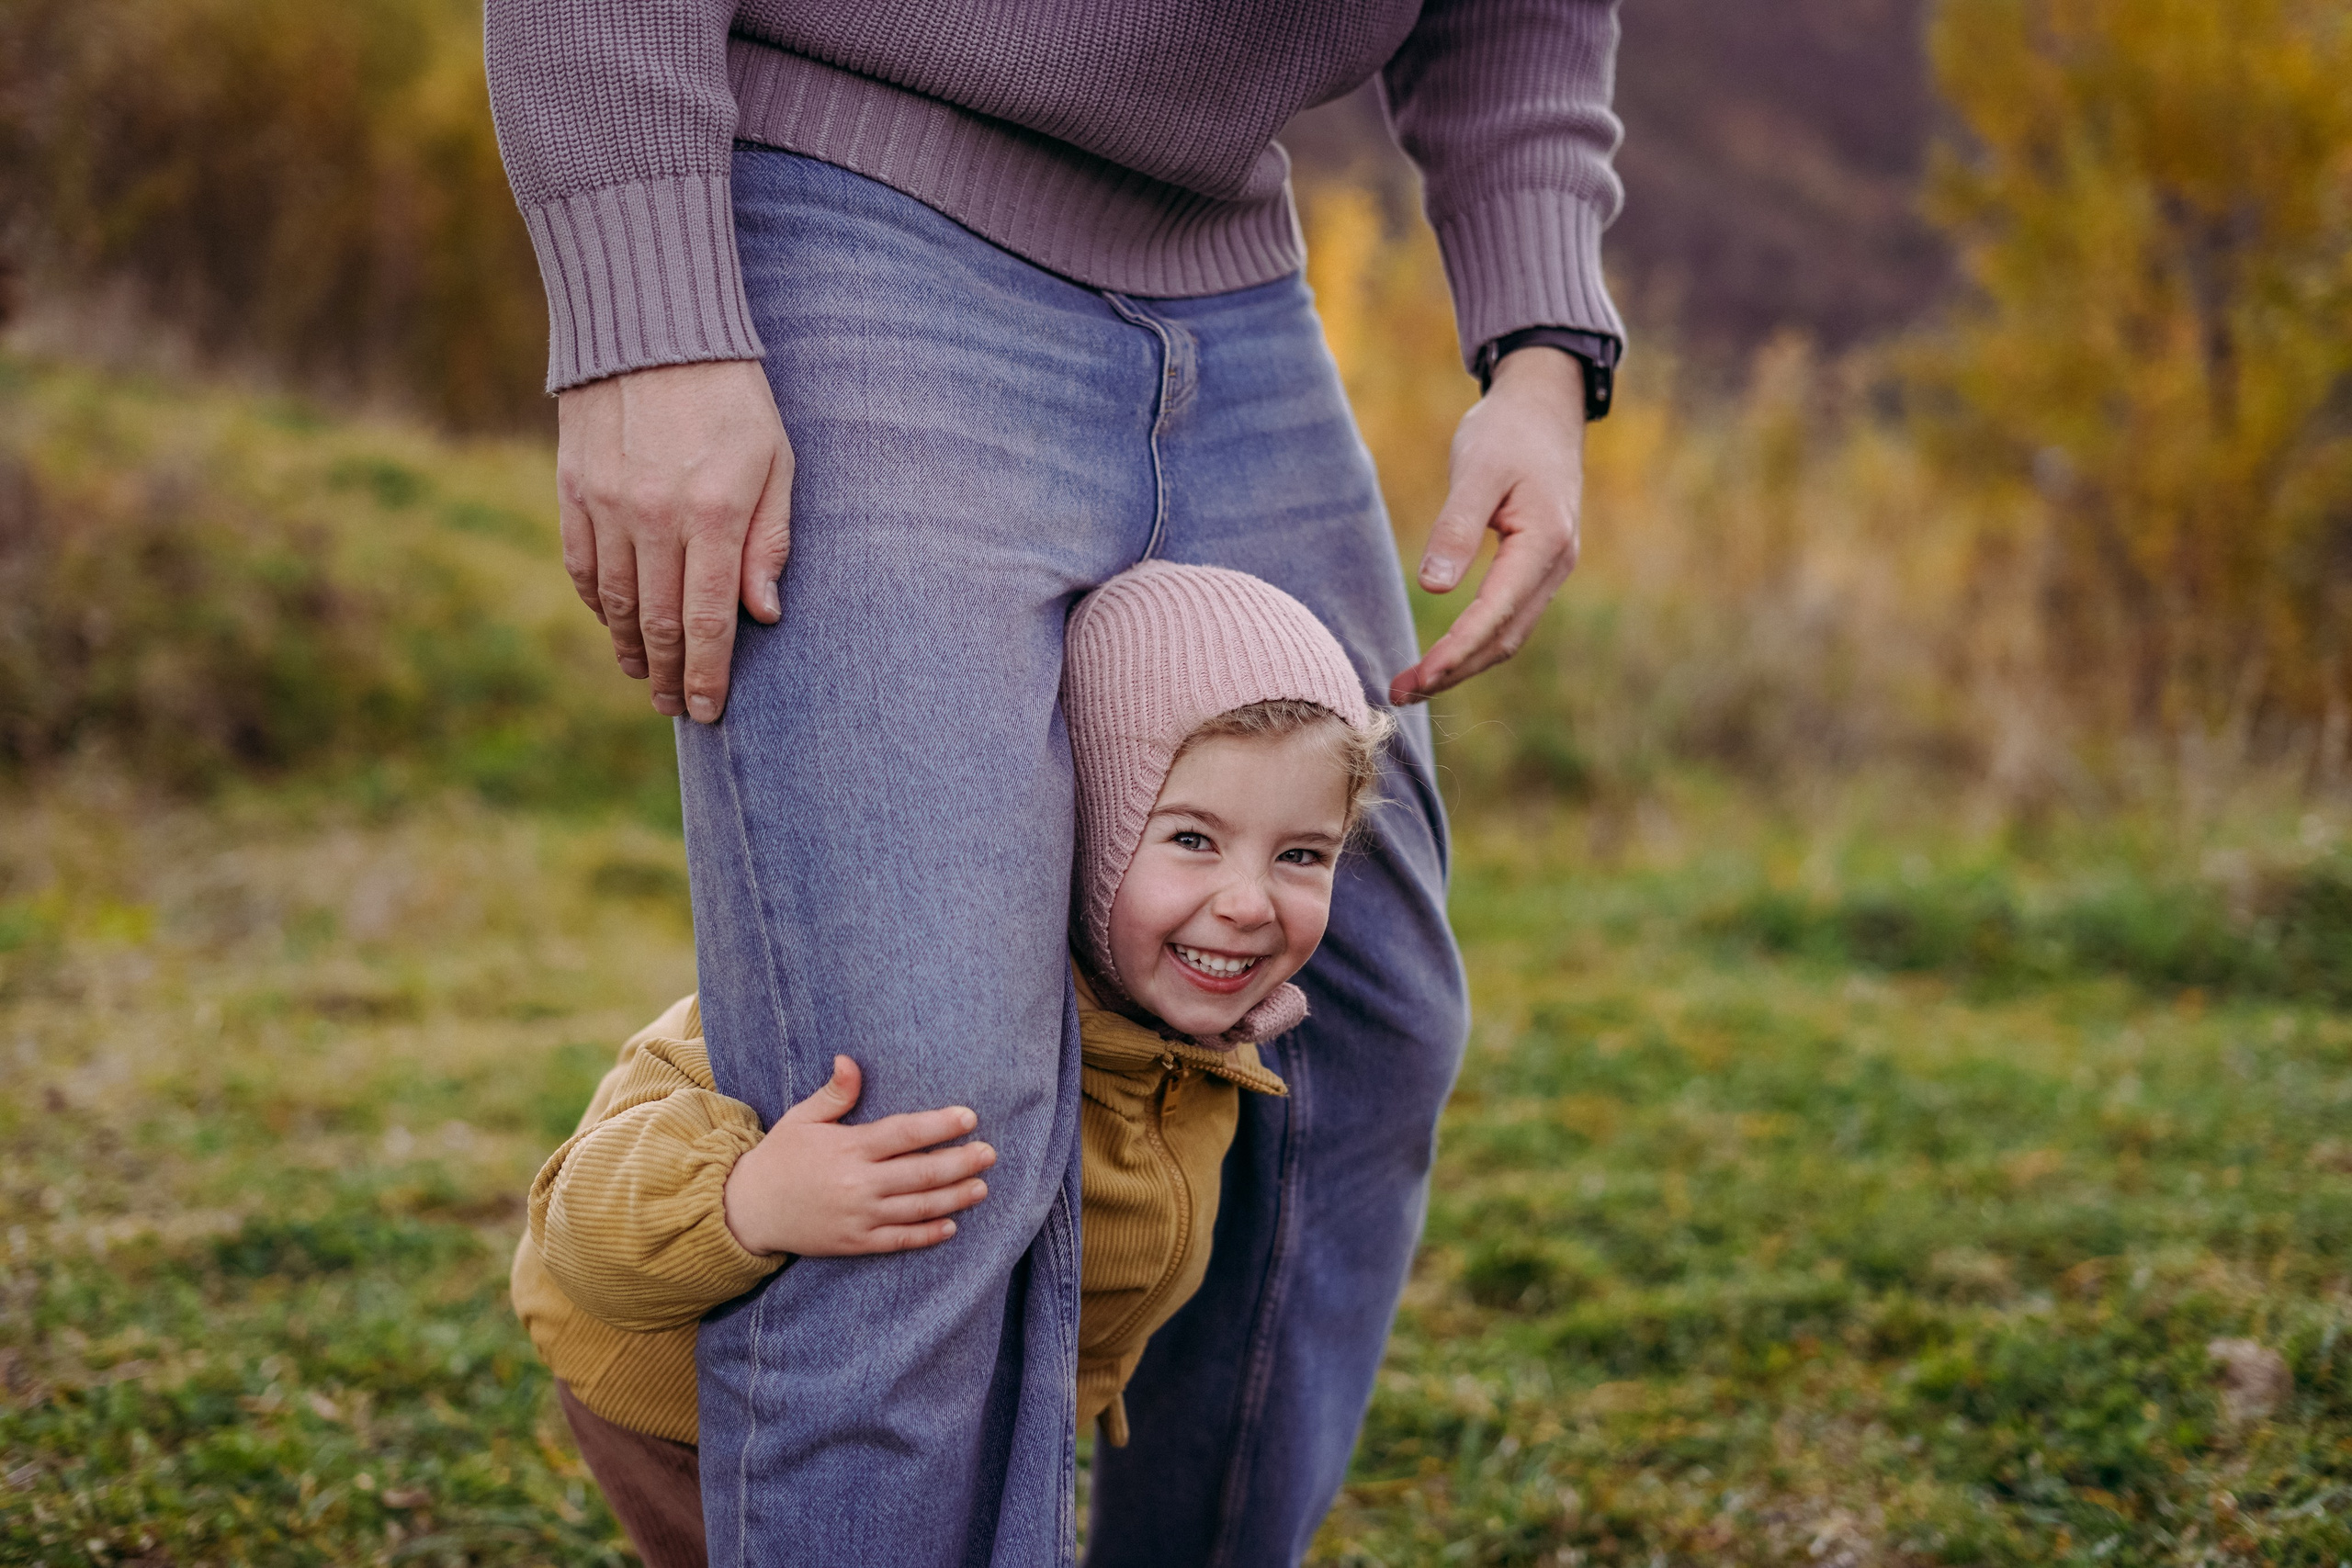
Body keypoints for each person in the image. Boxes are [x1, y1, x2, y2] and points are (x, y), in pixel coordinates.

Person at [483, 4, 1623, 1562]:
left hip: (1230, 267)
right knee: (926, 1116)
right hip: (843, 187)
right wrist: (649, 313)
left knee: (1356, 1014)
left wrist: (1544, 346)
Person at [511, 564, 1394, 1568]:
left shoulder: (1197, 1042)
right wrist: (747, 1198)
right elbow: (578, 1221)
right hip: (693, 1415)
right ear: (1080, 828)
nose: (1249, 902)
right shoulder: (896, 1000)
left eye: (1302, 855)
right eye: (1191, 838)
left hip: (968, 1434)